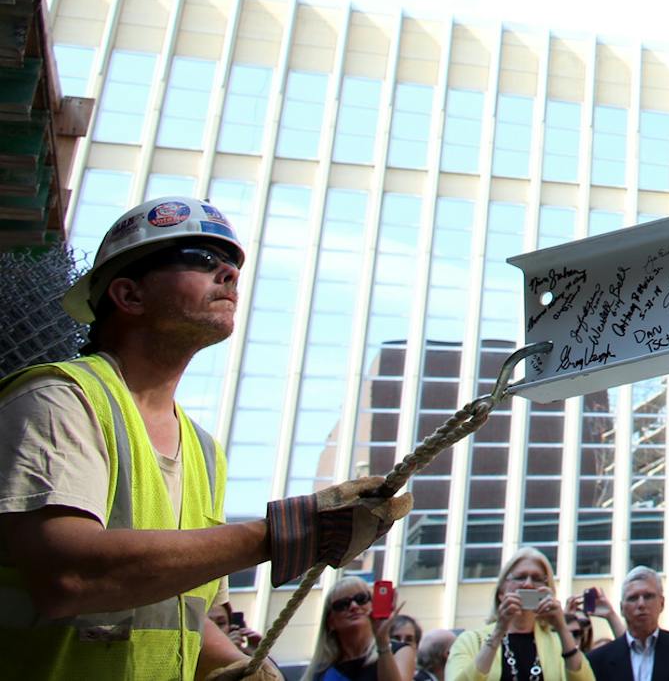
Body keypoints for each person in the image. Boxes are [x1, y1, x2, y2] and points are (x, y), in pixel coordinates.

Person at [0, 196, 413, 681]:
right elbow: (67, 577)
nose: (230, 274)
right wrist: (282, 534)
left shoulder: (203, 451)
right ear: (128, 295)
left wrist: (239, 665)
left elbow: (178, 610)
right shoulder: (58, 400)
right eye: (201, 259)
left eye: (234, 264)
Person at [445, 546, 590, 679]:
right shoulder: (471, 641)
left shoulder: (559, 644)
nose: (528, 584)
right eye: (520, 577)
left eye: (537, 579)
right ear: (501, 592)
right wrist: (499, 631)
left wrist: (562, 628)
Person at [587, 567, 669, 681]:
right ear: (622, 608)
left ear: (662, 603)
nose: (641, 604)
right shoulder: (598, 660)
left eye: (648, 596)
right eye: (633, 598)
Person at [304, 573, 417, 681]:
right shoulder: (322, 671)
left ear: (372, 605)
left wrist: (382, 641)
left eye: (361, 599)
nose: (354, 606)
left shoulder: (399, 651)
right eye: (342, 604)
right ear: (330, 622)